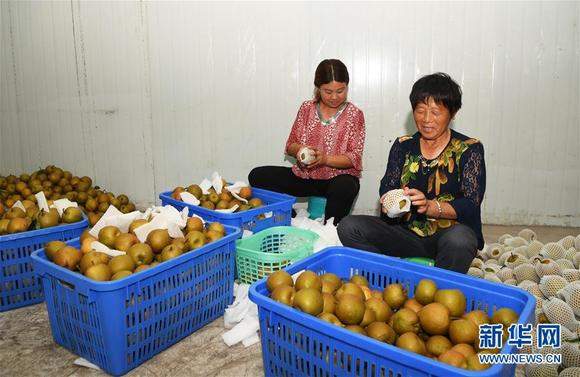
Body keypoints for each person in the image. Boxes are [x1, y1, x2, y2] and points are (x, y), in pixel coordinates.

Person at [338, 72, 486, 273]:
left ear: (452, 113)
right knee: (349, 227)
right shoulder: (403, 146)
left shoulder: (469, 149)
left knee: (460, 240)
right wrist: (391, 201)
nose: (426, 119)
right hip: (406, 233)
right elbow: (388, 187)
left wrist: (431, 206)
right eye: (420, 110)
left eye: (435, 112)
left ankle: (440, 289)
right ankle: (386, 276)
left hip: (447, 236)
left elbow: (470, 204)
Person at [249, 59, 365, 225]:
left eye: (340, 91)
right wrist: (301, 150)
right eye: (328, 91)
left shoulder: (355, 115)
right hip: (305, 176)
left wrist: (325, 159)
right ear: (318, 87)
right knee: (258, 176)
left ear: (347, 86)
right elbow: (291, 144)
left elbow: (354, 157)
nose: (334, 97)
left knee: (347, 186)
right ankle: (292, 219)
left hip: (336, 179)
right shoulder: (306, 108)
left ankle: (331, 231)